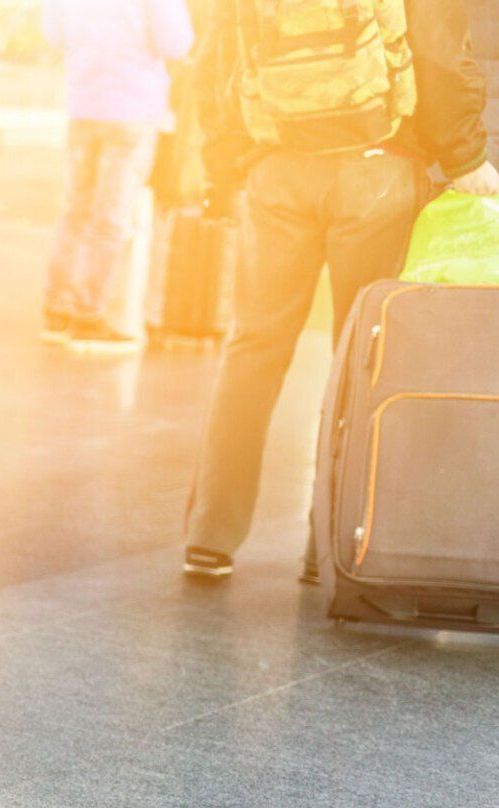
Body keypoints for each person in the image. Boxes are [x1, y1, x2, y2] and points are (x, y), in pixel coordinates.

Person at [182, 0, 494, 580]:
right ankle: (328, 546)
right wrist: (467, 153)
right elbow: (438, 52)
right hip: (377, 169)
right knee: (359, 361)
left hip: (276, 167)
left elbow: (214, 52)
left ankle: (210, 536)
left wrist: (225, 167)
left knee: (252, 349)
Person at [41, 0, 195, 352]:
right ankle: (87, 317)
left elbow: (53, 34)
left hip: (82, 103)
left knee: (75, 212)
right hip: (131, 108)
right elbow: (177, 42)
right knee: (109, 220)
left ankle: (56, 312)